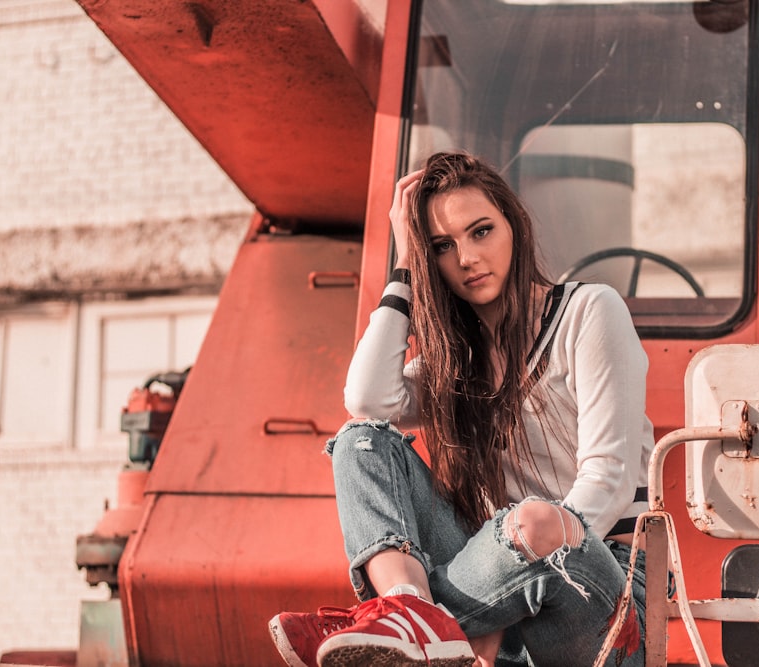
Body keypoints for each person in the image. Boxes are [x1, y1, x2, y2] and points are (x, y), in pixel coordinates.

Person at [268, 151, 655, 666]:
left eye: (481, 231)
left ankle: (413, 631)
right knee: (360, 442)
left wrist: (502, 599)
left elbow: (607, 482)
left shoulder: (589, 311)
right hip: (496, 585)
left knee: (537, 523)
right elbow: (367, 399)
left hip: (605, 587)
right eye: (442, 247)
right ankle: (409, 610)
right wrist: (404, 269)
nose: (467, 258)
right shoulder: (455, 363)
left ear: (513, 227)